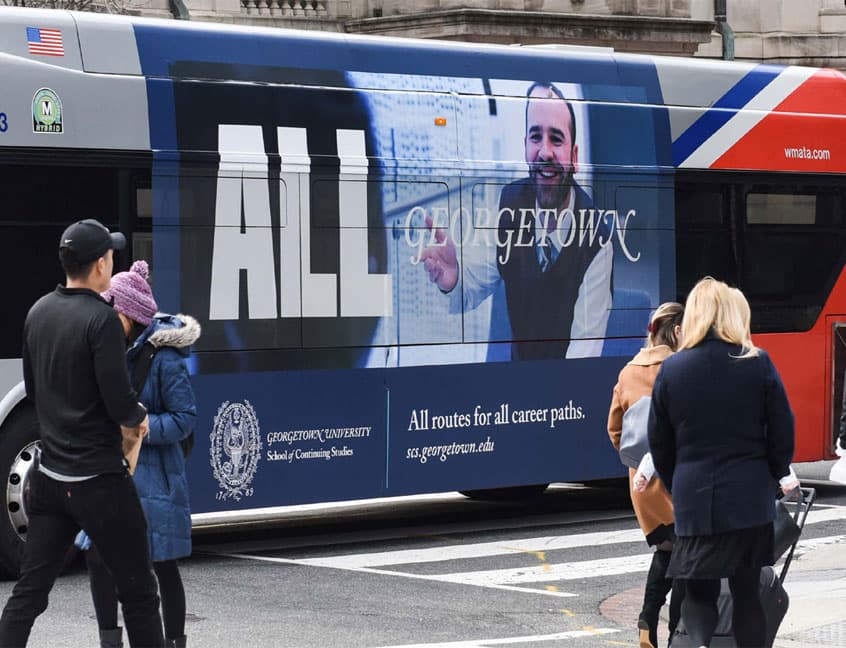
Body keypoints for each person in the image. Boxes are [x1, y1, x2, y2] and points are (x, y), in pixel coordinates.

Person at [0, 220, 164, 647]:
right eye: (110, 254)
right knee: (140, 593)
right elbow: (118, 402)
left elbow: (34, 392)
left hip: (49, 478)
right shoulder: (102, 321)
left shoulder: (38, 311)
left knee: (30, 591)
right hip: (100, 481)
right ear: (99, 266)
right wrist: (138, 415)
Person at [647, 278, 799, 648]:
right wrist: (773, 473)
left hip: (695, 500)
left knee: (699, 593)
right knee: (746, 593)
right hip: (748, 500)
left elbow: (659, 443)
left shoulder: (673, 370)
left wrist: (677, 481)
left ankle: (701, 644)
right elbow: (783, 430)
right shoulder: (757, 363)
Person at [420, 81, 613, 360]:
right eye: (536, 137)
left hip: (566, 394)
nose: (545, 152)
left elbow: (584, 352)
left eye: (556, 139)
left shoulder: (597, 236)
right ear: (525, 147)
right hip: (516, 386)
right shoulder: (511, 203)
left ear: (574, 157)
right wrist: (454, 278)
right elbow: (476, 281)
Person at [80, 260, 199, 648]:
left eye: (111, 309)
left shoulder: (165, 359)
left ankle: (174, 641)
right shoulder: (109, 349)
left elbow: (186, 418)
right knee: (98, 557)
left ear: (128, 314)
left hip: (157, 475)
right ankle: (109, 641)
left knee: (161, 565)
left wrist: (142, 429)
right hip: (115, 471)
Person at [607, 302, 684, 648]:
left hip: (642, 481)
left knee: (667, 549)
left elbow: (614, 429)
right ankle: (678, 632)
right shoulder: (679, 368)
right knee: (688, 554)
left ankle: (647, 620)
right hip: (677, 476)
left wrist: (636, 461)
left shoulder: (627, 372)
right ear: (678, 331)